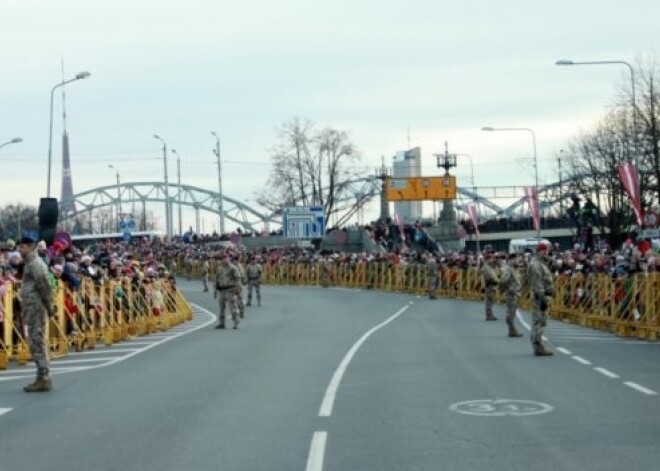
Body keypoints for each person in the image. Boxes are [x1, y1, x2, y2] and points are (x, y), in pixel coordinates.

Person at [17, 237, 54, 392]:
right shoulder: (29, 264)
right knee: (34, 339)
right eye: (19, 247)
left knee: (36, 340)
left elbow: (44, 285)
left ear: (31, 247)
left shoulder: (35, 264)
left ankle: (44, 377)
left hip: (36, 307)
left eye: (23, 247)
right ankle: (41, 376)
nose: (20, 250)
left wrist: (49, 305)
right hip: (31, 306)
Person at [526, 242, 555, 356]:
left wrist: (550, 260)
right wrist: (542, 297)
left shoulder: (541, 263)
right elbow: (537, 282)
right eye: (543, 251)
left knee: (540, 320)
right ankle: (538, 344)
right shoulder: (535, 265)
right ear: (538, 251)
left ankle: (538, 344)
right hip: (540, 296)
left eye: (546, 250)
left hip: (543, 295)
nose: (546, 252)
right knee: (540, 321)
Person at [498, 253, 524, 338]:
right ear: (511, 260)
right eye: (516, 259)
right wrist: (510, 288)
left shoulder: (514, 269)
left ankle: (511, 330)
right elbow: (503, 280)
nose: (518, 261)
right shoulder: (509, 269)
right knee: (511, 312)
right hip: (511, 294)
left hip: (514, 293)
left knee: (512, 312)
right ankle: (512, 330)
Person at [214, 253, 241, 329]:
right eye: (222, 259)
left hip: (230, 290)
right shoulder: (220, 268)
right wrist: (215, 289)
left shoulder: (233, 268)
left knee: (233, 307)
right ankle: (222, 323)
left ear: (228, 258)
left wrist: (237, 290)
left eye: (225, 258)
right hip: (222, 290)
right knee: (221, 307)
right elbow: (217, 279)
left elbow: (237, 279)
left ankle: (236, 323)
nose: (223, 260)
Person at [480, 253, 499, 321]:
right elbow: (491, 277)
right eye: (491, 258)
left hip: (492, 285)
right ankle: (489, 315)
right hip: (490, 285)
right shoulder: (486, 268)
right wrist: (498, 281)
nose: (492, 260)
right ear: (487, 259)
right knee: (489, 301)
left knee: (490, 301)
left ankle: (490, 314)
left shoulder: (488, 266)